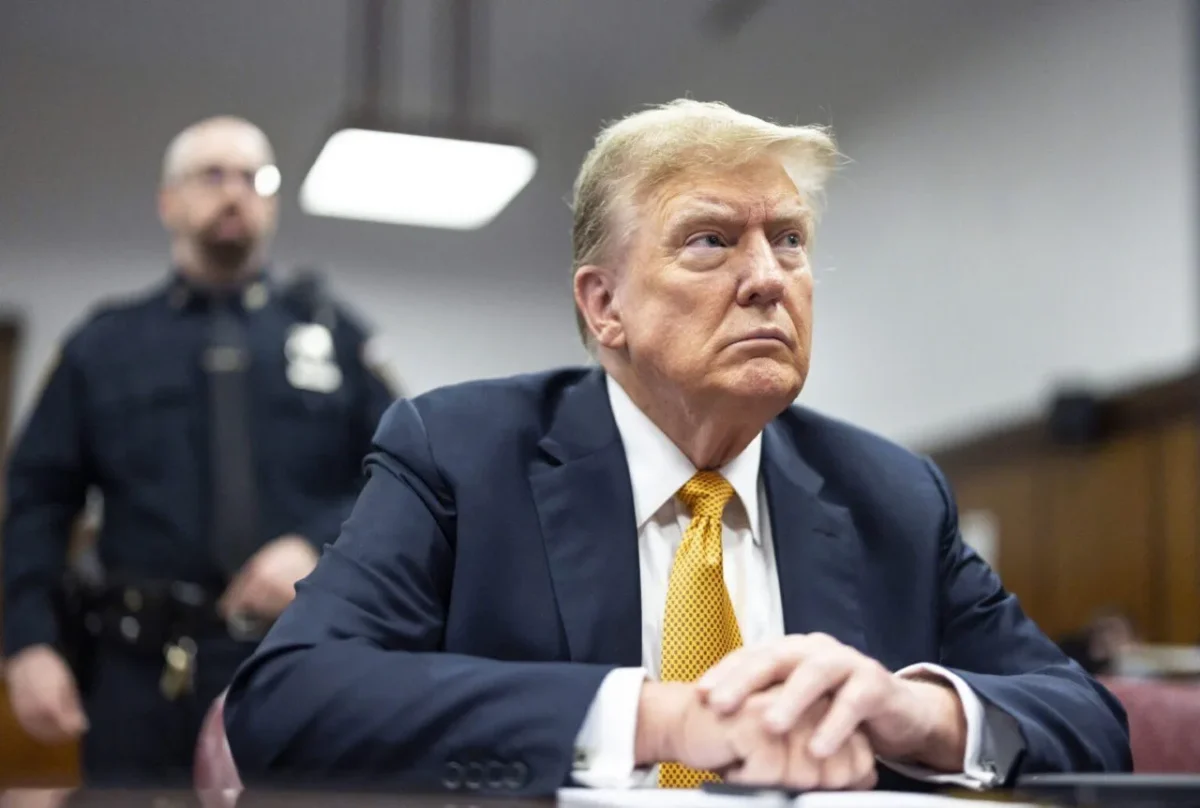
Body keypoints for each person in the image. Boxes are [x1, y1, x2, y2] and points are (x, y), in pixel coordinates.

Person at [223, 100, 1131, 795]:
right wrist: (655, 720)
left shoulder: (890, 492)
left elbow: (1092, 723)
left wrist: (917, 711)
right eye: (711, 241)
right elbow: (288, 702)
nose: (769, 279)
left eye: (790, 241)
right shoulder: (461, 453)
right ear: (603, 305)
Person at [1, 116, 396, 785]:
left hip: (299, 666)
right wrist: (27, 642)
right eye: (211, 175)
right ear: (169, 201)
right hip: (138, 678)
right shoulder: (104, 345)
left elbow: (400, 476)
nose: (235, 192)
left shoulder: (338, 339)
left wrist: (318, 546)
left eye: (254, 178)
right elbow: (37, 500)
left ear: (272, 203)